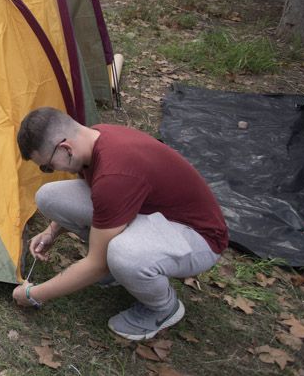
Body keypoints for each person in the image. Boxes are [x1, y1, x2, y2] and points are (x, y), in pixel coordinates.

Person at [12, 107, 228, 341]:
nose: (50, 171)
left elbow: (98, 265)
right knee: (48, 197)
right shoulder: (91, 140)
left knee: (122, 255)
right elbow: (101, 198)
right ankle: (122, 272)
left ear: (66, 148)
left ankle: (163, 307)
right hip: (149, 211)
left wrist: (34, 294)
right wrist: (51, 231)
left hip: (198, 236)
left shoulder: (113, 175)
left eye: (48, 166)